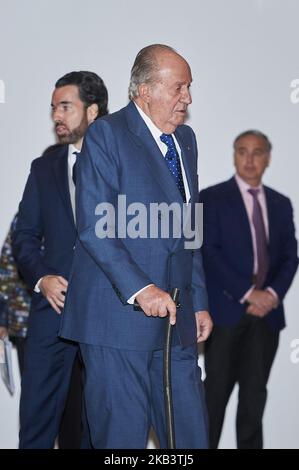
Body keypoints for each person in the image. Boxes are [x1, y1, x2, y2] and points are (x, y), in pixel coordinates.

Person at [59, 44, 213, 449]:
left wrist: (197, 300)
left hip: (176, 324)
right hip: (116, 321)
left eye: (189, 87)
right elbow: (95, 227)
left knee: (190, 438)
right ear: (145, 90)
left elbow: (189, 228)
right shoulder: (107, 134)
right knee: (121, 443)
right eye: (179, 87)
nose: (188, 98)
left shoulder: (188, 141)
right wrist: (142, 289)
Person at [12, 71, 108, 448]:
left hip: (103, 315)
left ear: (93, 110)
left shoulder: (119, 165)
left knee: (95, 426)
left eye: (65, 106)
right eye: (54, 108)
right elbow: (23, 236)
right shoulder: (43, 167)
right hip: (50, 313)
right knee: (36, 424)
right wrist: (42, 279)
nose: (57, 116)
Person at [199, 130, 298, 449]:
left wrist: (270, 296)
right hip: (225, 314)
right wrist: (247, 293)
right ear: (234, 155)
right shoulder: (211, 198)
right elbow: (208, 252)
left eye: (257, 153)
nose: (250, 159)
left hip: (266, 318)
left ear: (268, 158)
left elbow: (289, 256)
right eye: (242, 152)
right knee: (213, 400)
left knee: (254, 402)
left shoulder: (281, 204)